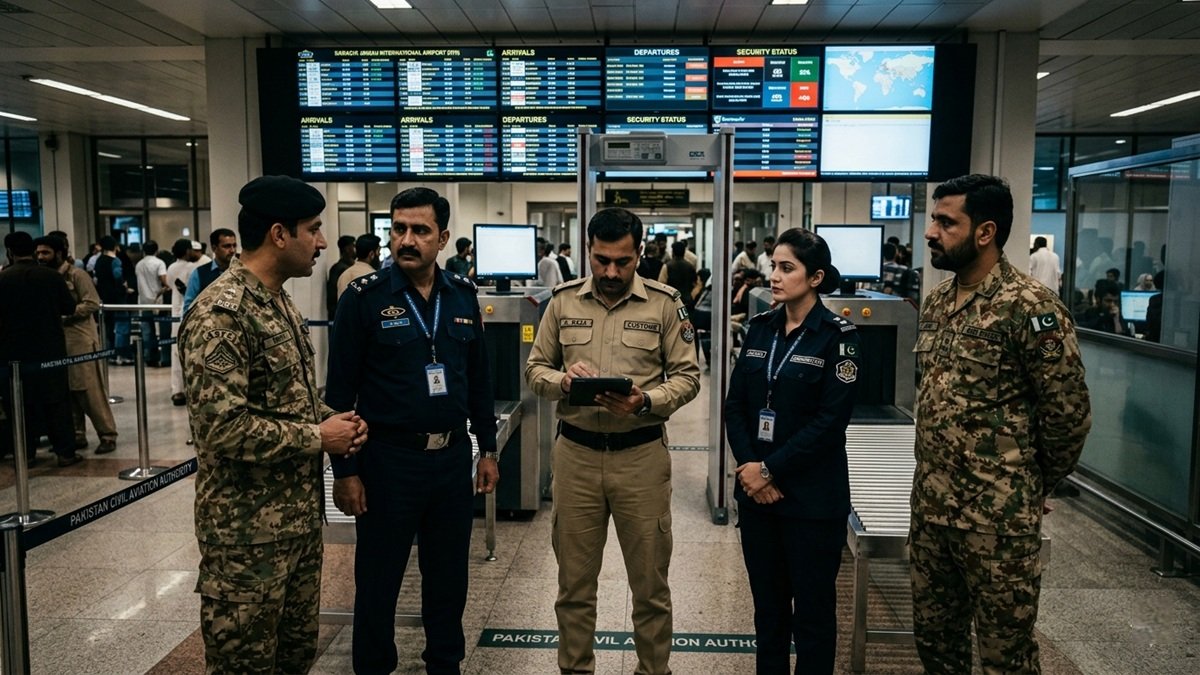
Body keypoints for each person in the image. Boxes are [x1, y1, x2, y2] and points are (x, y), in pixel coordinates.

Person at [179, 175, 367, 674]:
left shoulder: (279, 301)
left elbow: (289, 400)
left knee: (293, 659)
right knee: (245, 665)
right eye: (314, 229)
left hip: (296, 526)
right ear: (280, 234)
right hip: (245, 539)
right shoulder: (221, 314)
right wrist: (319, 437)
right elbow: (222, 427)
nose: (323, 242)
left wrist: (334, 420)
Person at [912, 174, 1092, 674]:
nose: (931, 231)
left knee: (1005, 657)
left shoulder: (1031, 308)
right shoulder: (937, 302)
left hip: (997, 524)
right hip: (931, 513)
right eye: (934, 219)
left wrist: (1029, 483)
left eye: (946, 222)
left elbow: (1068, 414)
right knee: (936, 647)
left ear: (985, 232)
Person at [325, 186, 499, 675]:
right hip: (388, 461)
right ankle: (374, 667)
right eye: (398, 229)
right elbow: (339, 396)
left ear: (442, 238)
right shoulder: (364, 298)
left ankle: (445, 664)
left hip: (451, 459)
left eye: (420, 230)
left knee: (448, 579)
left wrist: (488, 450)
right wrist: (346, 472)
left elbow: (479, 381)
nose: (406, 239)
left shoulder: (461, 294)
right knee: (377, 581)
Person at [525, 207, 701, 675]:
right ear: (589, 250)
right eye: (601, 260)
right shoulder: (563, 301)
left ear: (639, 253)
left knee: (650, 588)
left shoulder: (664, 304)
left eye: (622, 262)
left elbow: (688, 377)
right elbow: (535, 369)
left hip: (641, 458)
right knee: (574, 587)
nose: (610, 272)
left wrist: (646, 401)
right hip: (576, 458)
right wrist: (564, 381)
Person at [724, 227, 859, 674]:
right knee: (769, 614)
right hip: (759, 501)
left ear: (815, 277)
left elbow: (829, 423)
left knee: (813, 617)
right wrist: (751, 468)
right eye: (774, 266)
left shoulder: (838, 338)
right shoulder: (761, 329)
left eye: (787, 268)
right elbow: (736, 406)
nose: (775, 276)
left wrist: (769, 470)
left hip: (812, 502)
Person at [0, 232, 81, 467]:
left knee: (19, 404)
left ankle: (25, 454)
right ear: (33, 251)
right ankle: (65, 452)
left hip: (13, 353)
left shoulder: (3, 279)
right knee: (57, 401)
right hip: (50, 349)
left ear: (10, 252)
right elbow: (69, 307)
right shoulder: (51, 276)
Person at [37, 235, 119, 455]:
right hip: (57, 342)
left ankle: (107, 434)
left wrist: (66, 315)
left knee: (88, 390)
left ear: (58, 253)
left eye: (45, 253)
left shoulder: (77, 275)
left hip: (80, 339)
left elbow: (92, 303)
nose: (41, 257)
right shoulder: (45, 277)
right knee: (67, 391)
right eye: (38, 253)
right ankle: (77, 434)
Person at [165, 239, 202, 405]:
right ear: (187, 251)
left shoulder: (171, 267)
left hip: (175, 312)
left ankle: (177, 390)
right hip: (188, 312)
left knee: (175, 351)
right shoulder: (193, 268)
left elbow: (168, 283)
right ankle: (191, 389)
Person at [93, 235, 133, 365]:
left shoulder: (99, 261)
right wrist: (124, 288)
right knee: (122, 326)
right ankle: (121, 354)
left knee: (107, 327)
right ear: (115, 246)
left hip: (104, 297)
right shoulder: (115, 261)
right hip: (117, 298)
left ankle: (109, 354)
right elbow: (117, 276)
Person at [182, 227, 238, 315]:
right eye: (227, 246)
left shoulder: (240, 271)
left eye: (234, 245)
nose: (232, 250)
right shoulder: (200, 274)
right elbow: (188, 308)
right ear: (214, 248)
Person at [134, 239, 168, 366]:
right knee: (159, 330)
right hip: (157, 300)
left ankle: (148, 356)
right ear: (156, 250)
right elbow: (163, 280)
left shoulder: (139, 264)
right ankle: (161, 356)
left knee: (147, 331)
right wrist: (167, 287)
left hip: (143, 301)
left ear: (143, 251)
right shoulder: (159, 263)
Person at [335, 233, 382, 300]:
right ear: (371, 254)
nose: (380, 254)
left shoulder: (344, 275)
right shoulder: (374, 277)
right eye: (378, 251)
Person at [662, 240, 699, 317]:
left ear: (673, 252)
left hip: (672, 301)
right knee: (685, 321)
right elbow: (696, 284)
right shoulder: (690, 266)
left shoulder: (667, 266)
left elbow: (662, 284)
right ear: (684, 252)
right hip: (687, 301)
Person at [327, 234, 357, 319]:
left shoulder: (347, 267)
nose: (355, 249)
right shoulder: (340, 269)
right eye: (353, 246)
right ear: (347, 249)